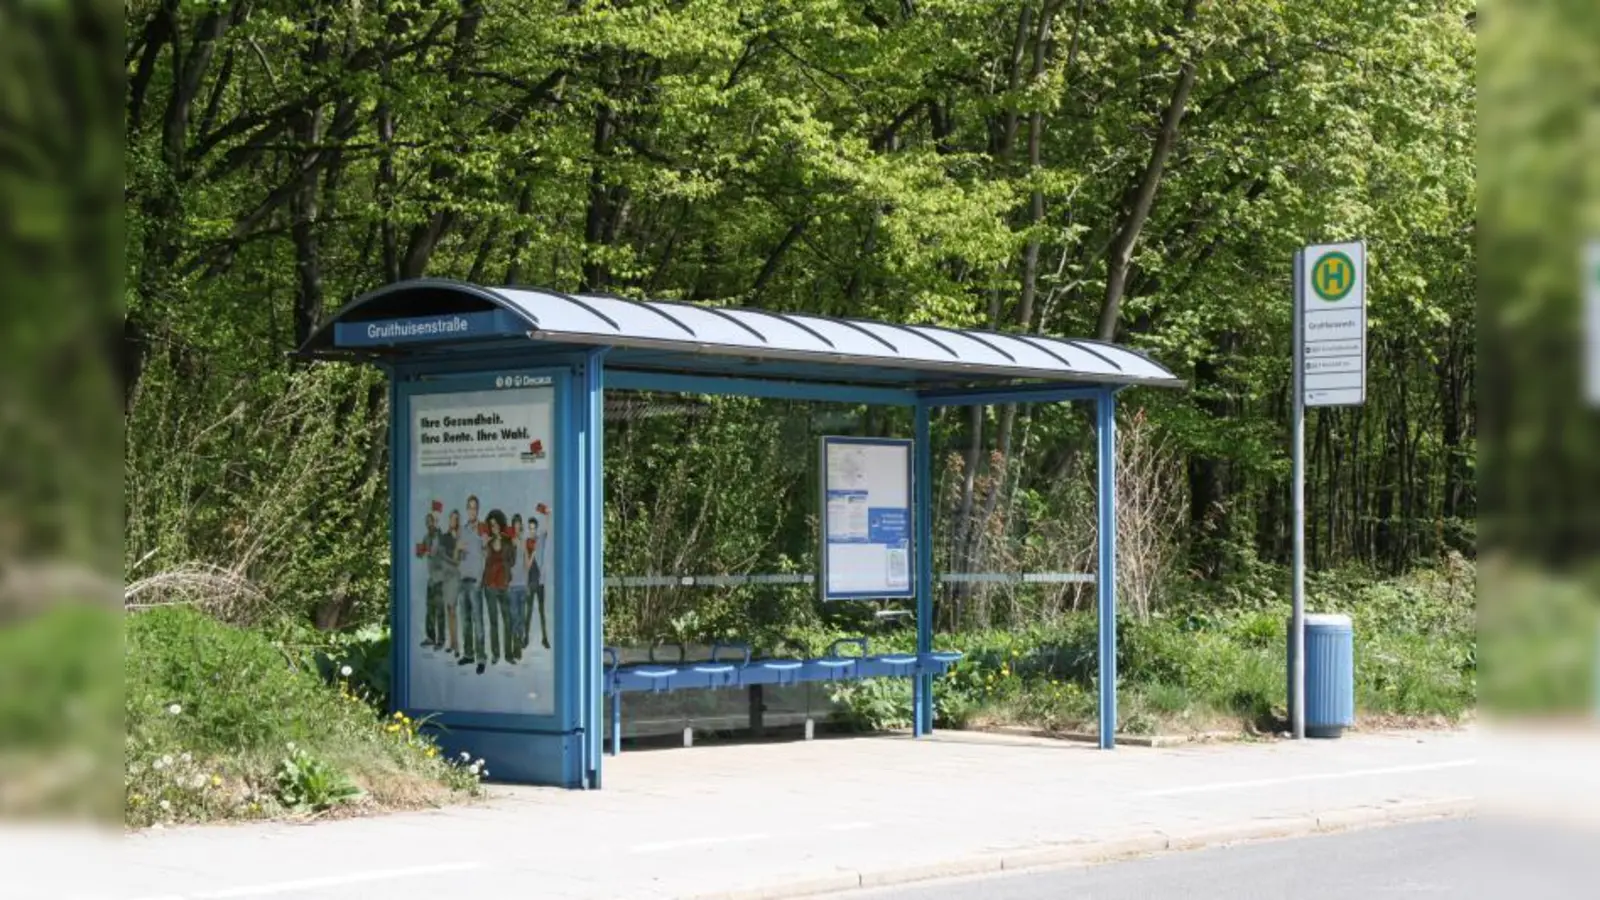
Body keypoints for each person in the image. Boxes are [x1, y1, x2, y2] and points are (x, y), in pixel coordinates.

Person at [480, 508, 516, 671]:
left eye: (495, 525)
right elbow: (485, 563)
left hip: (503, 586)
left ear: (501, 525)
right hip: (490, 587)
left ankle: (508, 655)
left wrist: (514, 546)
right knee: (494, 622)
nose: (493, 528)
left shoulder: (508, 543)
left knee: (507, 621)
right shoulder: (487, 543)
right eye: (491, 525)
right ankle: (496, 654)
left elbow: (513, 562)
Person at [456, 495, 485, 669]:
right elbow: (459, 555)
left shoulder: (482, 529)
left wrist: (481, 578)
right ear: (467, 509)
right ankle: (468, 654)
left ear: (478, 510)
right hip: (462, 581)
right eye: (469, 507)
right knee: (465, 620)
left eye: (474, 507)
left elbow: (485, 555)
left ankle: (481, 658)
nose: (472, 510)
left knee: (478, 621)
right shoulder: (463, 530)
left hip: (475, 581)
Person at [438, 509, 461, 655]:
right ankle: (452, 642)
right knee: (449, 610)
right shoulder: (445, 537)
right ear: (449, 520)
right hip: (446, 577)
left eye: (456, 519)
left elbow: (459, 559)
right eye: (452, 519)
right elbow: (442, 555)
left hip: (455, 577)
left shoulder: (460, 537)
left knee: (453, 610)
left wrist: (453, 559)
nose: (454, 521)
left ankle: (456, 644)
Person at [529, 502, 551, 650]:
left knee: (542, 611)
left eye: (533, 528)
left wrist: (547, 514)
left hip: (540, 580)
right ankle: (525, 637)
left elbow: (548, 528)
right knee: (528, 610)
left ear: (536, 529)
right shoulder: (526, 542)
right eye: (529, 528)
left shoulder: (540, 539)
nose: (532, 531)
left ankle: (544, 638)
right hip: (529, 580)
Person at [420, 509, 443, 649]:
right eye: (427, 523)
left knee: (440, 610)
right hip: (431, 578)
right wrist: (424, 553)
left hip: (440, 578)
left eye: (431, 522)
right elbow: (425, 552)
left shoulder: (441, 537)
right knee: (430, 609)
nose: (429, 525)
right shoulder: (426, 537)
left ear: (436, 523)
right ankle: (430, 637)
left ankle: (441, 640)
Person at [507, 513, 528, 662]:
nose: (517, 526)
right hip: (512, 584)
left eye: (518, 524)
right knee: (514, 617)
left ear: (521, 526)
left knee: (521, 617)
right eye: (514, 524)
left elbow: (527, 565)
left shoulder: (525, 542)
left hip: (523, 584)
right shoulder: (509, 542)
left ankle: (519, 641)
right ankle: (516, 645)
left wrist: (527, 551)